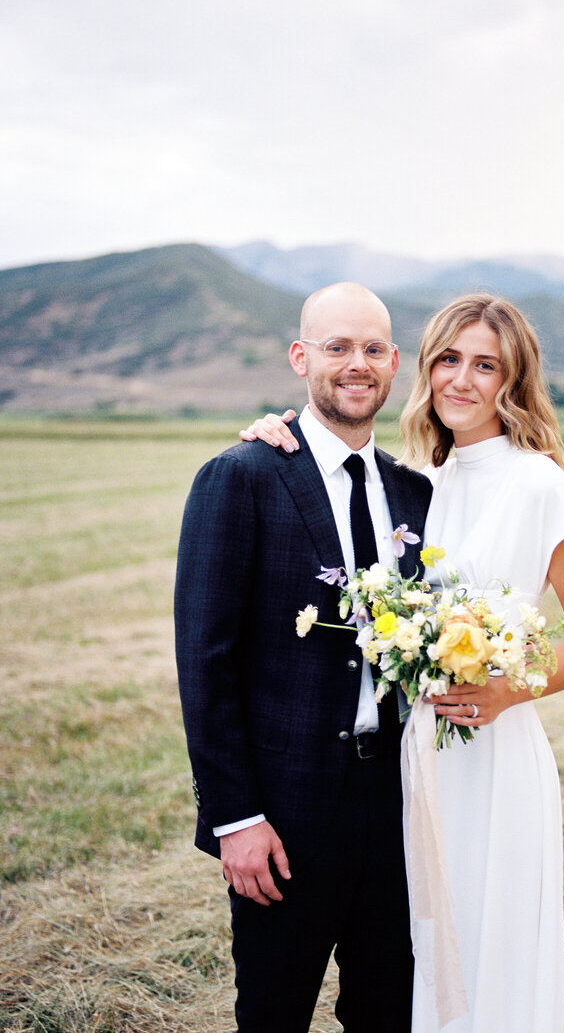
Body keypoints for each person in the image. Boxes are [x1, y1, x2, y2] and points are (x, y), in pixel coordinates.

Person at [242, 294, 564, 1032]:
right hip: (416, 764)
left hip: (495, 758)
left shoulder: (539, 483)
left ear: (513, 380)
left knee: (492, 946)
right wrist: (275, 431)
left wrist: (508, 692)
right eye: (448, 359)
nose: (461, 379)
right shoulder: (416, 482)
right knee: (415, 960)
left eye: (486, 365)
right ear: (425, 367)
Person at [175, 281, 433, 1033]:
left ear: (394, 364)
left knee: (389, 1009)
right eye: (337, 347)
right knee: (274, 1012)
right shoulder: (243, 477)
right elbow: (206, 661)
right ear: (300, 358)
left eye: (374, 349)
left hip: (398, 805)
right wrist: (237, 818)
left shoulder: (413, 496)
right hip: (282, 815)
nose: (357, 364)